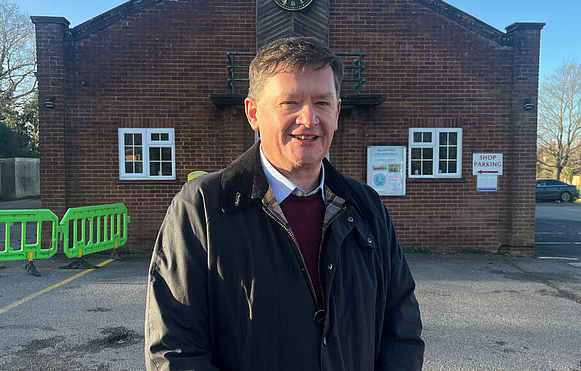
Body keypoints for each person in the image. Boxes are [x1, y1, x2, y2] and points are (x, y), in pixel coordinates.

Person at [145, 37, 424, 370]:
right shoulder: (202, 209)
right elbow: (176, 351)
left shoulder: (366, 206)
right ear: (253, 113)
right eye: (290, 102)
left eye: (322, 102)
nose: (308, 119)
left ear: (336, 112)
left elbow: (402, 326)